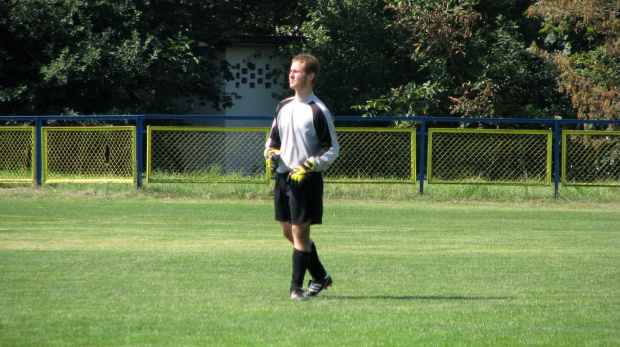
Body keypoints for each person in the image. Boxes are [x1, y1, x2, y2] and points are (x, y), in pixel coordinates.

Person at [265, 54, 340, 301]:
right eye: (290, 71)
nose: (291, 75)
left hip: (304, 180)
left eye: (297, 72)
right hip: (283, 177)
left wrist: (309, 165)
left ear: (310, 76)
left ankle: (295, 288)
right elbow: (274, 137)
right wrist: (271, 150)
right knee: (288, 232)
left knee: (300, 233)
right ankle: (320, 276)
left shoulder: (319, 110)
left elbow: (331, 148)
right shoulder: (283, 105)